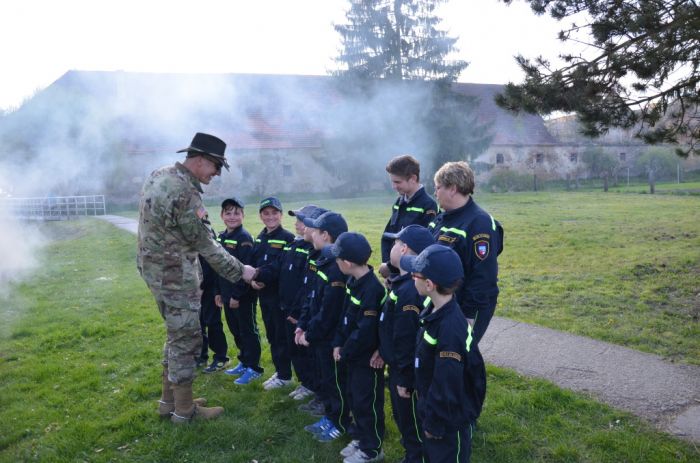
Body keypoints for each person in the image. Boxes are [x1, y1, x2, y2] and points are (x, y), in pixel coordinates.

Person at [137, 132, 256, 424]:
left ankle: (170, 401)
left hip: (155, 269)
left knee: (175, 334)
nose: (216, 174)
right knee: (187, 339)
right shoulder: (184, 193)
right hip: (174, 274)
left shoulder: (161, 174)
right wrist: (242, 271)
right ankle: (185, 410)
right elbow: (206, 243)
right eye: (216, 167)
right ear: (200, 160)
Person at [400, 244, 486, 463]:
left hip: (448, 419)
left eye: (415, 274)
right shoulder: (434, 308)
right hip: (434, 406)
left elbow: (448, 382)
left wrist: (435, 423)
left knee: (445, 456)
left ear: (429, 284)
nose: (411, 277)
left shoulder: (449, 329)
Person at [428, 161, 503, 344]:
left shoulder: (480, 224)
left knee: (458, 354)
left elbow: (483, 277)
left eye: (437, 188)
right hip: (443, 300)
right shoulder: (442, 218)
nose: (435, 194)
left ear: (452, 189)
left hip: (466, 306)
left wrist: (469, 315)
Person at [377, 225, 435, 463]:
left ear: (404, 249)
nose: (391, 248)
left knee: (409, 418)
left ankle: (417, 456)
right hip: (398, 366)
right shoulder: (402, 282)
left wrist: (403, 378)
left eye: (394, 244)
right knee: (402, 417)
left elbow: (406, 339)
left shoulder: (410, 291)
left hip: (406, 373)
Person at [329, 232, 387, 463]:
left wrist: (345, 350)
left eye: (337, 258)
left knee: (367, 403)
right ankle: (360, 437)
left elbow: (365, 331)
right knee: (353, 398)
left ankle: (372, 449)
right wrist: (337, 343)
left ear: (348, 262)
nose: (335, 262)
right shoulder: (352, 281)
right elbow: (345, 317)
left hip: (365, 359)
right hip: (351, 355)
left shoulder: (373, 289)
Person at [296, 211, 351, 442]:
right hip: (318, 335)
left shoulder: (336, 267)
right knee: (326, 379)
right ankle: (330, 416)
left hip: (329, 338)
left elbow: (329, 311)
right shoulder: (323, 260)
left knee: (335, 382)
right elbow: (313, 298)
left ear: (326, 235)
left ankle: (339, 421)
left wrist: (311, 331)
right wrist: (303, 325)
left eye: (315, 231)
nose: (309, 233)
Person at [215, 197, 264, 385]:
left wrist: (237, 295)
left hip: (242, 296)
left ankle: (255, 367)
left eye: (237, 213)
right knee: (236, 330)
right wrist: (218, 292)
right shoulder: (221, 237)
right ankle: (244, 361)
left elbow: (246, 271)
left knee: (248, 330)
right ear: (222, 215)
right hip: (227, 294)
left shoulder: (244, 239)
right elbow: (219, 268)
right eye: (228, 213)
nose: (232, 217)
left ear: (243, 215)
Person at [250, 197, 296, 390]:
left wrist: (258, 275)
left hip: (280, 297)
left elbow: (281, 267)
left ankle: (286, 376)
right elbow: (254, 262)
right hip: (264, 296)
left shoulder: (288, 238)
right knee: (272, 335)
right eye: (266, 213)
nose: (270, 217)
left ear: (281, 214)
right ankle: (281, 371)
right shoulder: (260, 237)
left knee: (282, 336)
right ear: (261, 215)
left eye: (274, 213)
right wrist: (253, 279)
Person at [279, 204, 323, 400]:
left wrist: (297, 311)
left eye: (301, 220)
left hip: (301, 310)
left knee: (306, 350)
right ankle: (305, 381)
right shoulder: (295, 243)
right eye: (296, 220)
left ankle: (312, 384)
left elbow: (307, 285)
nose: (297, 223)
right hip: (289, 307)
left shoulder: (313, 250)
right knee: (294, 347)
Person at [379, 155, 437, 280]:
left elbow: (423, 245)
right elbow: (389, 235)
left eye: (397, 182)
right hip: (395, 272)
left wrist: (391, 267)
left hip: (412, 275)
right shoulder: (398, 203)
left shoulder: (428, 206)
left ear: (413, 178)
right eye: (392, 182)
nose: (394, 187)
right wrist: (388, 266)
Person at [196, 222, 230, 373]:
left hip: (209, 287)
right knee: (198, 323)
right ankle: (201, 356)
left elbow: (211, 263)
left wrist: (202, 287)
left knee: (212, 322)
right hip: (193, 288)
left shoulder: (204, 228)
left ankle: (221, 358)